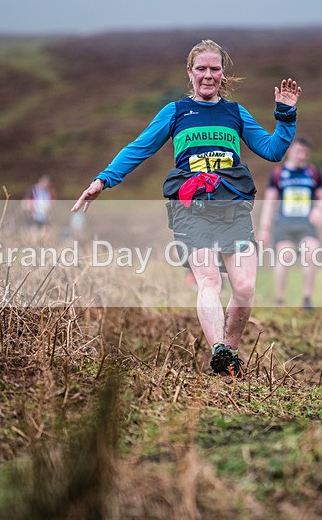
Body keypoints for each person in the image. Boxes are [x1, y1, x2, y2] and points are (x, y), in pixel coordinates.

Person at [72, 39, 302, 378]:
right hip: (190, 208)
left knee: (244, 287)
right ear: (190, 73)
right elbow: (139, 148)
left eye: (214, 69)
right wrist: (102, 181)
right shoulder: (176, 112)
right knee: (208, 279)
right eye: (201, 69)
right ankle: (219, 349)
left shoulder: (235, 113)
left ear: (223, 74)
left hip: (233, 207)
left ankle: (230, 354)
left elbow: (272, 150)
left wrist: (286, 116)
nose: (208, 76)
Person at [257, 137, 322, 311]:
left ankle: (307, 299)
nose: (302, 156)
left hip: (306, 224)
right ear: (290, 151)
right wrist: (264, 229)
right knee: (285, 256)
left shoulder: (313, 173)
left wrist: (319, 209)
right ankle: (280, 300)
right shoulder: (278, 174)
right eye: (298, 151)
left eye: (305, 153)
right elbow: (270, 202)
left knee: (311, 252)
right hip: (283, 224)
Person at [23, 174, 57, 244]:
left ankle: (42, 250)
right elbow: (27, 203)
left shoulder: (49, 192)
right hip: (34, 216)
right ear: (40, 182)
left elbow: (52, 203)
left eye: (47, 184)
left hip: (44, 217)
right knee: (34, 236)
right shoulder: (33, 190)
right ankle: (33, 249)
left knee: (45, 235)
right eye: (44, 183)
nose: (45, 185)